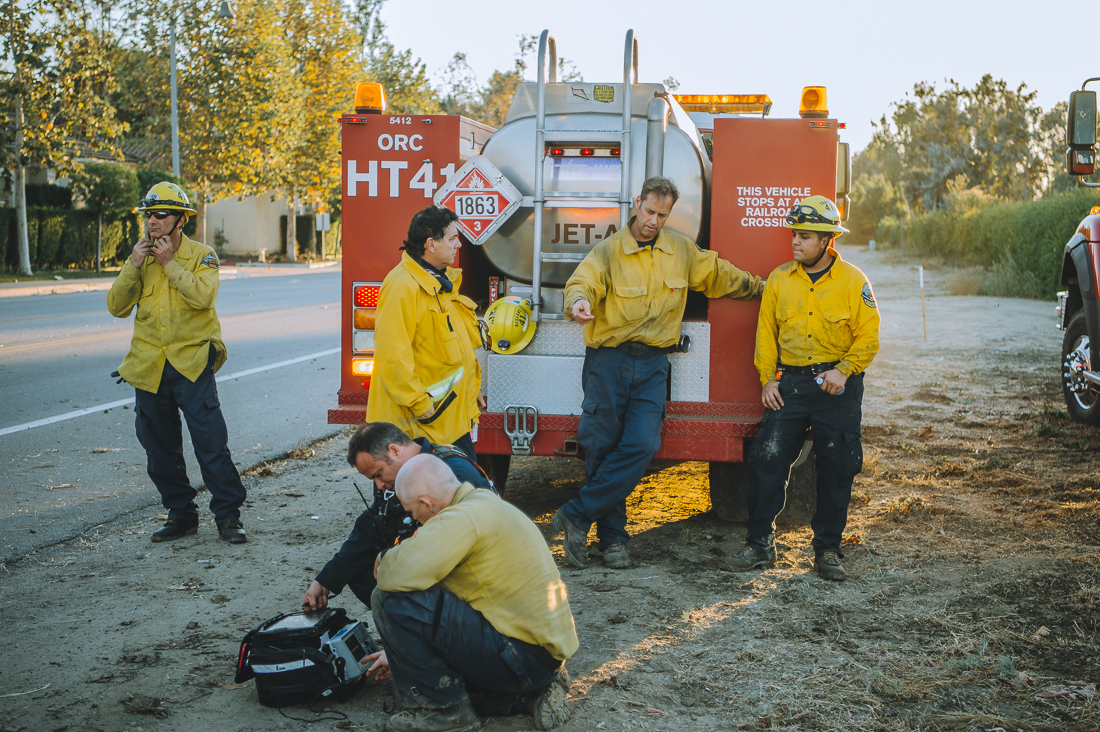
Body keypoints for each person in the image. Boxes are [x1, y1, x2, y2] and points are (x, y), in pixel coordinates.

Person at [554, 176, 766, 570]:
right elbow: (582, 282)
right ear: (637, 203)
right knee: (602, 448)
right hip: (609, 362)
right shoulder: (609, 252)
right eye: (649, 211)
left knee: (641, 445)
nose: (654, 221)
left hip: (653, 365)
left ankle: (577, 514)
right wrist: (580, 302)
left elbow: (720, 275)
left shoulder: (681, 251)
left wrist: (763, 289)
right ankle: (613, 540)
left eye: (662, 215)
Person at [728, 195, 880, 581]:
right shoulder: (780, 279)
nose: (795, 242)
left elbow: (869, 337)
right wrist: (767, 379)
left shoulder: (853, 281)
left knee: (837, 467)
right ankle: (760, 545)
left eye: (805, 236)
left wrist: (844, 371)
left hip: (838, 387)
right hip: (791, 384)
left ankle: (828, 550)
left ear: (827, 241)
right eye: (794, 234)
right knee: (767, 458)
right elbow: (766, 335)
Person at [368, 454, 577, 732]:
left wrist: (385, 557)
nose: (413, 519)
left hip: (519, 659)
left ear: (427, 503)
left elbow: (394, 575)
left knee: (387, 600)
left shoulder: (461, 518)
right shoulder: (485, 503)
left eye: (411, 511)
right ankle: (529, 694)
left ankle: (445, 714)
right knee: (458, 687)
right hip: (542, 657)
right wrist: (403, 656)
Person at [106, 182, 247, 544]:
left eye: (160, 215)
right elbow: (116, 307)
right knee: (159, 448)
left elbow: (203, 296)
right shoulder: (139, 258)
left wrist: (169, 264)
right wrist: (134, 265)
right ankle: (181, 514)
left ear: (180, 220)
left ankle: (228, 516)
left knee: (210, 443)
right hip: (149, 367)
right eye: (148, 215)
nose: (152, 222)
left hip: (191, 364)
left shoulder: (202, 256)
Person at [302, 422, 492, 612]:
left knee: (387, 583)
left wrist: (391, 558)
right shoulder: (396, 480)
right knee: (362, 569)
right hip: (435, 565)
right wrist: (325, 581)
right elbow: (369, 528)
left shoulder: (452, 472)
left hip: (474, 583)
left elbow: (447, 545)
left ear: (394, 451)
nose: (379, 486)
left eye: (379, 474)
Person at [366, 205, 485, 461]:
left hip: (446, 423)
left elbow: (451, 347)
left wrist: (471, 389)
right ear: (431, 245)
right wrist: (422, 406)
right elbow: (392, 358)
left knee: (468, 490)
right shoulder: (402, 286)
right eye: (453, 238)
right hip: (420, 428)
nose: (459, 245)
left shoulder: (438, 282)